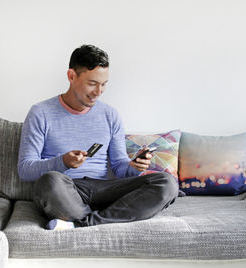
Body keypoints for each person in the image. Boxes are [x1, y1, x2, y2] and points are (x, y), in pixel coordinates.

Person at [17, 44, 178, 230]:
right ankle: (108, 218)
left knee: (167, 183)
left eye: (103, 84)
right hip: (67, 191)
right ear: (71, 76)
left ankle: (80, 224)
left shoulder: (110, 115)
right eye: (92, 83)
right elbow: (25, 169)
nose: (98, 91)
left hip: (106, 189)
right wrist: (63, 162)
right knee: (49, 181)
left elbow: (120, 168)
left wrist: (134, 167)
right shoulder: (40, 113)